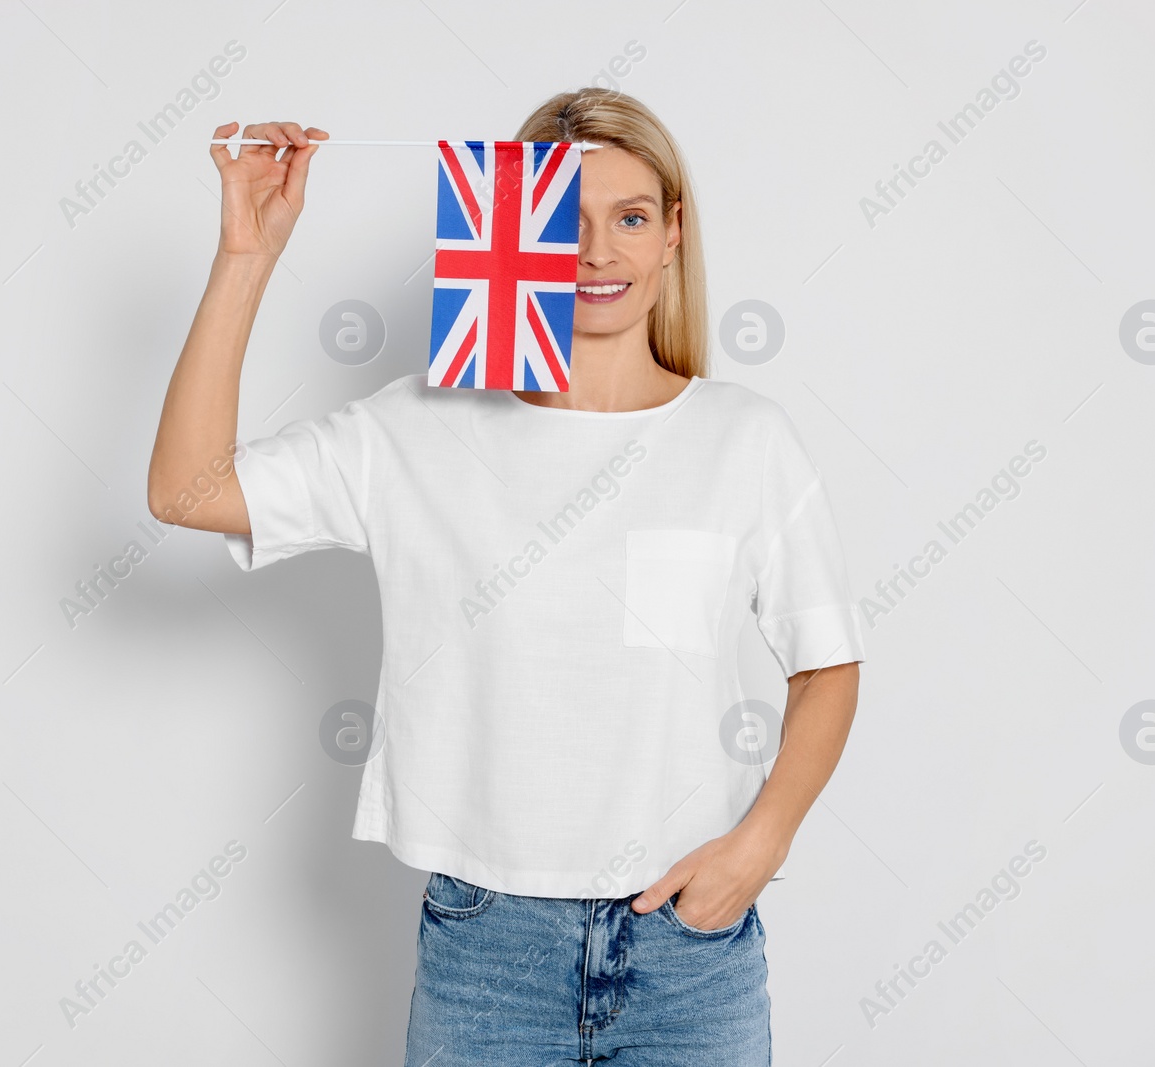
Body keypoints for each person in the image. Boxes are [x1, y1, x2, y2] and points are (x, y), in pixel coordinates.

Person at [148, 88, 865, 1066]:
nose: (598, 251)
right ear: (512, 233)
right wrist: (247, 257)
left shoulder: (743, 439)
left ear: (671, 236)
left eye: (629, 217)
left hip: (691, 950)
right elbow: (187, 491)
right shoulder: (418, 430)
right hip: (486, 952)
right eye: (562, 222)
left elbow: (826, 662)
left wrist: (761, 842)